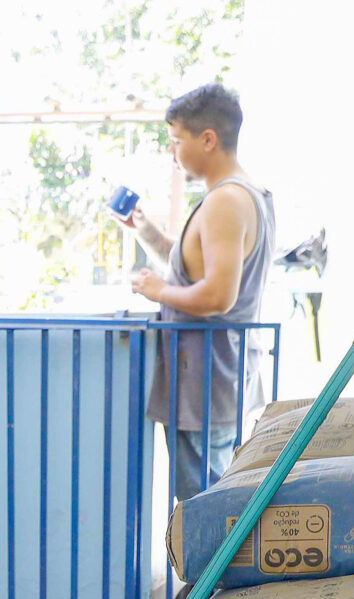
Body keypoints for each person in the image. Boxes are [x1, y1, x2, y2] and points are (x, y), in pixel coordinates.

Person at [117, 82, 276, 502]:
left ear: (207, 139)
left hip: (205, 381)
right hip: (216, 379)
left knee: (204, 506)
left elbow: (217, 296)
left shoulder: (226, 201)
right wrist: (146, 231)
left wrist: (158, 292)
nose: (172, 153)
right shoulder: (248, 195)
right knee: (211, 498)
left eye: (176, 140)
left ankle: (211, 553)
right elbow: (195, 266)